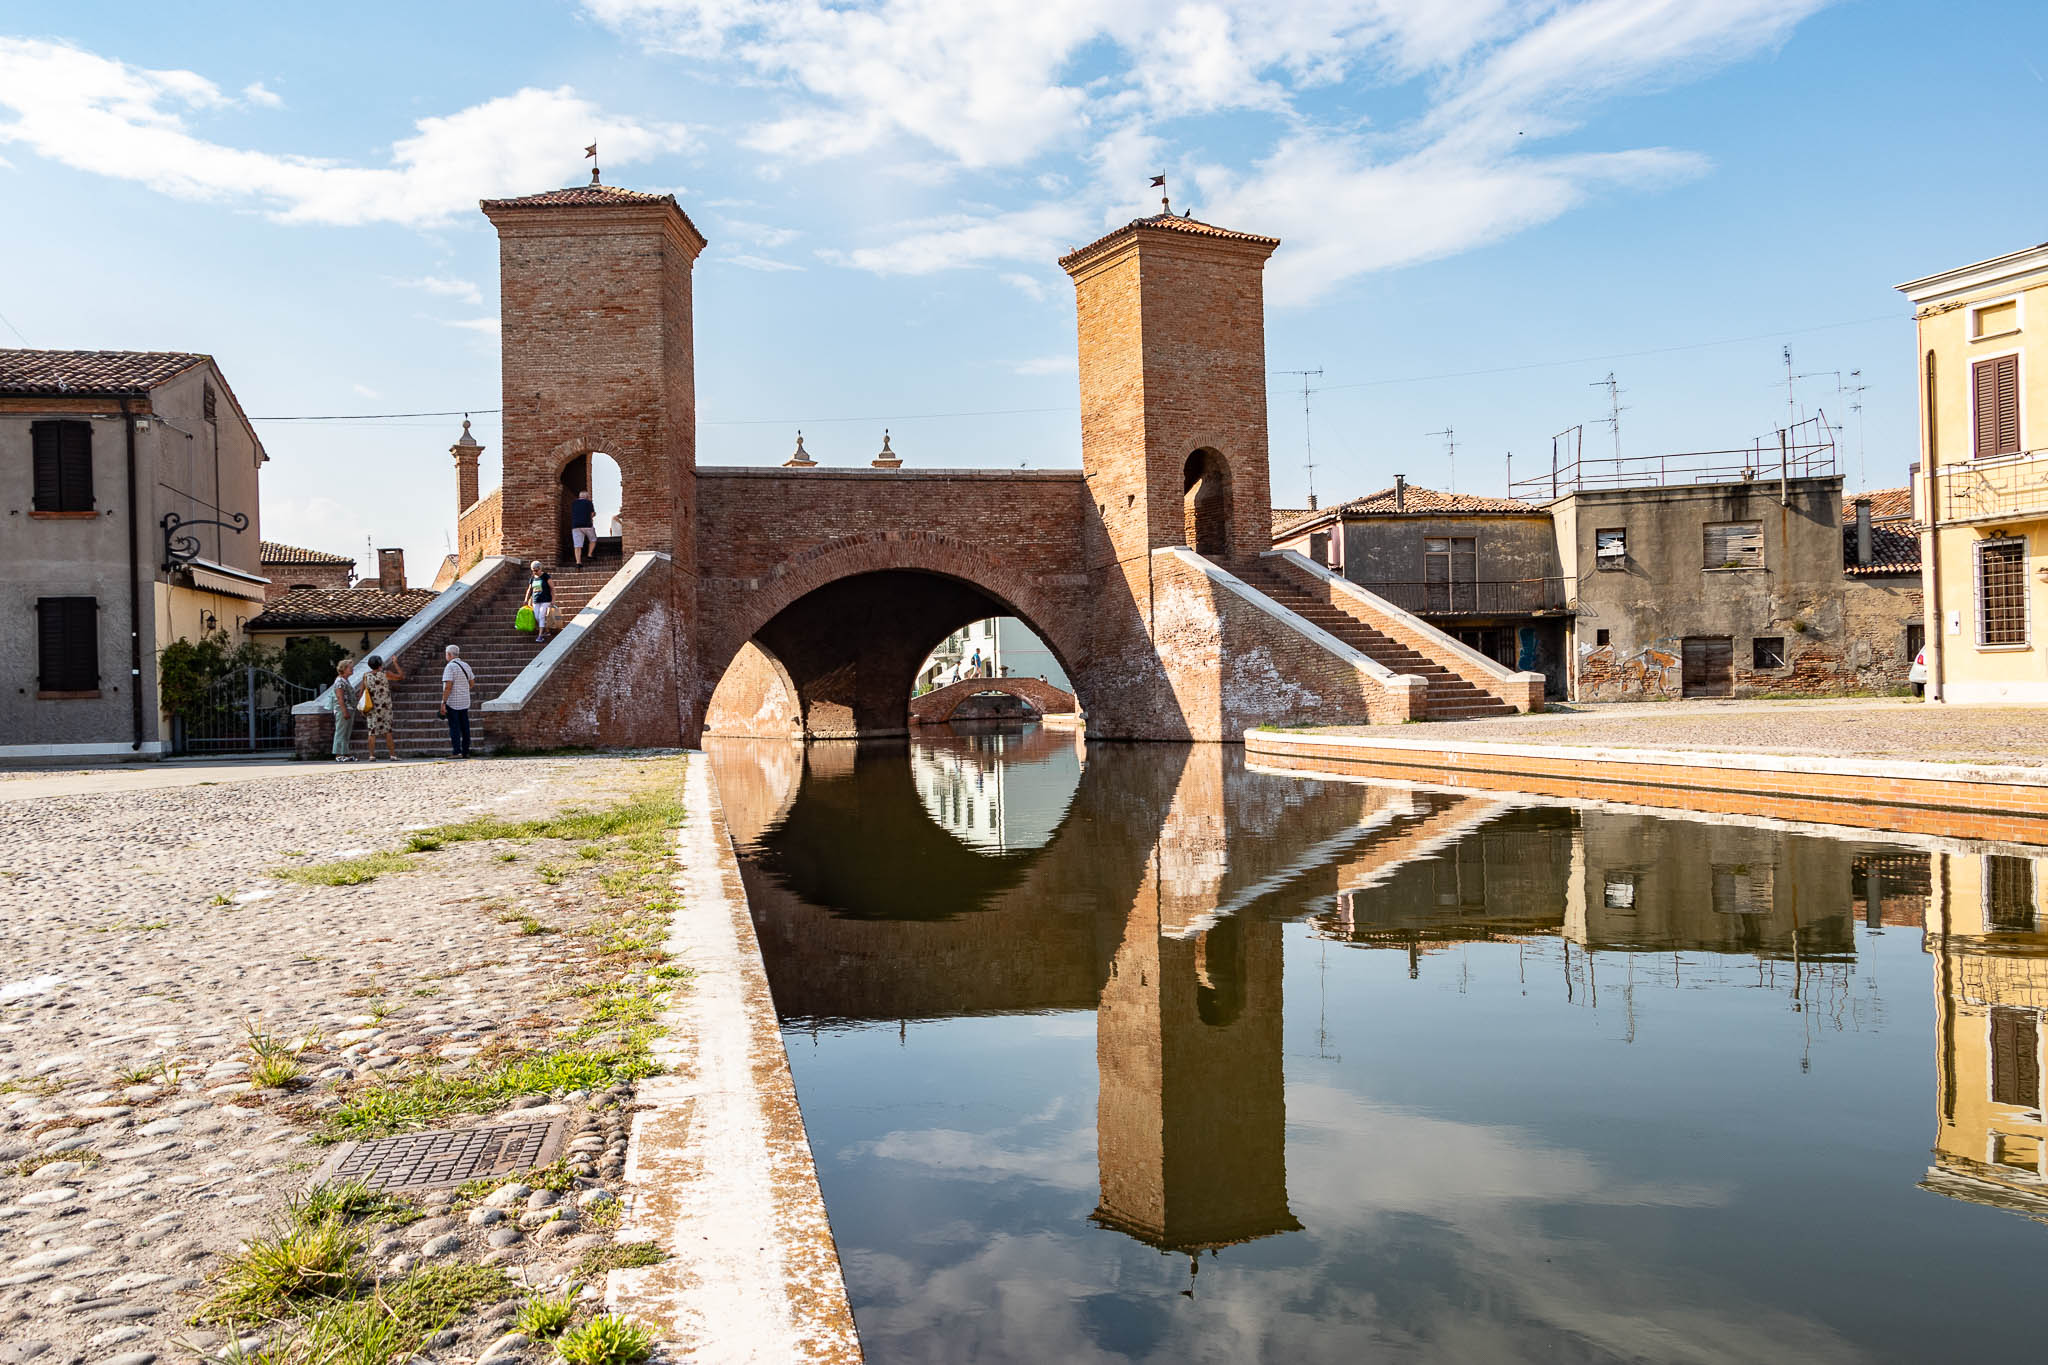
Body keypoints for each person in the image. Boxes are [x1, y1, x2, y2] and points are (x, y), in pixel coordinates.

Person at [360, 654, 405, 760]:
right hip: (385, 707)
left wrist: (362, 707)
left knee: (372, 732)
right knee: (388, 731)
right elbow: (401, 676)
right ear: (380, 664)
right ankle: (392, 754)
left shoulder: (366, 676)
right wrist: (395, 663)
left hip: (372, 707)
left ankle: (371, 755)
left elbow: (362, 692)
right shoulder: (385, 674)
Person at [440, 644, 475, 758]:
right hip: (465, 701)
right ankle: (466, 751)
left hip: (453, 702)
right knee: (465, 727)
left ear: (449, 654)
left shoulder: (450, 667)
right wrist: (462, 690)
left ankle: (457, 751)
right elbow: (472, 683)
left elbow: (448, 686)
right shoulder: (466, 665)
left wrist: (443, 702)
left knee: (454, 727)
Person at [330, 657, 357, 762]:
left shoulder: (345, 681)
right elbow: (340, 697)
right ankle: (338, 754)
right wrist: (344, 711)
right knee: (341, 731)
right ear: (344, 669)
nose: (352, 669)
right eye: (350, 667)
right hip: (343, 709)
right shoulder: (339, 682)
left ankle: (345, 753)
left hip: (349, 708)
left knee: (347, 732)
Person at [525, 559, 555, 644]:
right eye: (533, 570)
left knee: (541, 616)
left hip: (545, 600)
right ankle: (546, 630)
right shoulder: (532, 578)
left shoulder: (546, 576)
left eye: (536, 570)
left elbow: (552, 588)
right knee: (537, 617)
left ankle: (540, 636)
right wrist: (526, 599)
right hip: (536, 600)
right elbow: (529, 589)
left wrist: (553, 599)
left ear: (540, 568)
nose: (535, 572)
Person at [570, 488, 597, 565]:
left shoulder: (573, 503)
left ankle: (578, 562)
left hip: (575, 526)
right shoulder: (588, 502)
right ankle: (589, 554)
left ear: (579, 496)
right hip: (587, 524)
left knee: (577, 545)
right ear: (587, 497)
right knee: (593, 539)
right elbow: (592, 514)